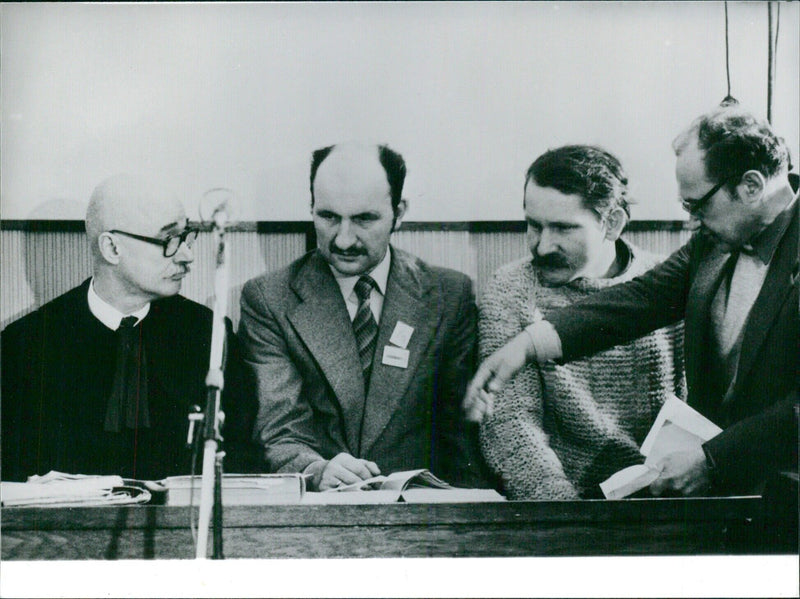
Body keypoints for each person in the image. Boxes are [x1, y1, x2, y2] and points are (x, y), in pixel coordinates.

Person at [466, 107, 799, 497]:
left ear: (751, 186)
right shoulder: (713, 242)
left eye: (697, 206)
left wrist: (715, 459)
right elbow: (639, 298)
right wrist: (527, 344)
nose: (691, 221)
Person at [239, 142, 486, 491]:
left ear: (399, 212)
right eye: (328, 217)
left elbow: (461, 438)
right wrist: (317, 470)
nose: (343, 239)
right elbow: (278, 427)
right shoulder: (268, 299)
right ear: (311, 208)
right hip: (317, 515)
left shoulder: (449, 296)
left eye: (364, 219)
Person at [1, 174, 257, 481]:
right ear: (112, 249)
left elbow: (243, 461)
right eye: (168, 240)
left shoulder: (210, 336)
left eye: (187, 235)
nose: (187, 255)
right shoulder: (24, 345)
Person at [478, 145, 685, 499]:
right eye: (533, 225)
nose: (542, 247)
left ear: (612, 224)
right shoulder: (511, 288)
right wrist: (566, 515)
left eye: (563, 229)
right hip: (561, 506)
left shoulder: (667, 284)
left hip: (668, 498)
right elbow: (511, 422)